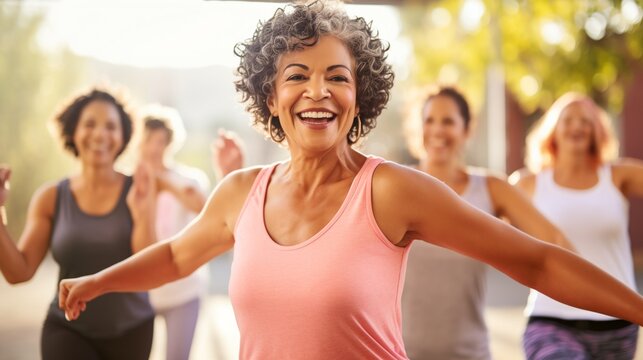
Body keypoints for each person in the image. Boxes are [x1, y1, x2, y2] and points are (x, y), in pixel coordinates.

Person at [56, 2, 643, 359]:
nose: (317, 91)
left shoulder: (390, 190)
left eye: (338, 76)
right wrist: (95, 283)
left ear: (359, 96)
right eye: (297, 76)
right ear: (271, 94)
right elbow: (178, 256)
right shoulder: (240, 192)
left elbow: (535, 262)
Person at [401, 86, 574, 360]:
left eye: (448, 121)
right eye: (429, 120)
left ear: (467, 130)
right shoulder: (396, 185)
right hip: (397, 353)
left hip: (470, 353)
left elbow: (556, 244)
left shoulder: (491, 189)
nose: (437, 130)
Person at [0, 88, 156, 360]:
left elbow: (149, 270)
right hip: (67, 330)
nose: (100, 134)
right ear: (73, 132)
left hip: (132, 330)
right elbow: (18, 272)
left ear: (123, 136)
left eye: (110, 126)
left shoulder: (138, 189)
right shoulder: (51, 197)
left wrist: (143, 212)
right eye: (89, 124)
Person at [510, 92, 643, 360]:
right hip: (550, 318)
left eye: (586, 120)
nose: (577, 126)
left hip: (617, 322)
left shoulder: (618, 176)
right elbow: (485, 227)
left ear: (598, 131)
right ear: (553, 131)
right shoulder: (527, 183)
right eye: (568, 119)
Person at [136, 105, 209, 360]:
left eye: (161, 141)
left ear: (170, 143)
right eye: (148, 140)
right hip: (140, 294)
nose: (154, 148)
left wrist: (162, 181)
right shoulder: (128, 182)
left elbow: (204, 209)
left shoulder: (190, 179)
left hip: (184, 291)